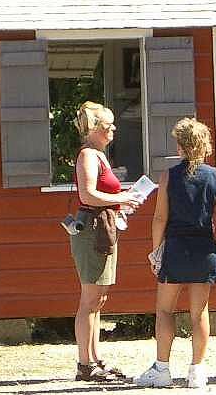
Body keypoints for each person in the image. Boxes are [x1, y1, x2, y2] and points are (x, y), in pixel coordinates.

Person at [135, 118, 216, 388]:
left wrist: (157, 251)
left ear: (180, 146)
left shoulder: (169, 176)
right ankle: (197, 370)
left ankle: (162, 368)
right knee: (199, 311)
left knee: (165, 310)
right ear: (205, 146)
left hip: (176, 248)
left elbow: (159, 219)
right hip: (205, 248)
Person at [70, 101, 142, 381]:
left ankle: (96, 359)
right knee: (89, 299)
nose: (113, 128)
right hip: (92, 230)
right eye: (107, 124)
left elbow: (100, 195)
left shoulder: (98, 155)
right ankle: (84, 365)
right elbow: (87, 196)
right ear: (95, 129)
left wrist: (118, 205)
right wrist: (122, 198)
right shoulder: (88, 155)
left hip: (103, 227)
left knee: (98, 299)